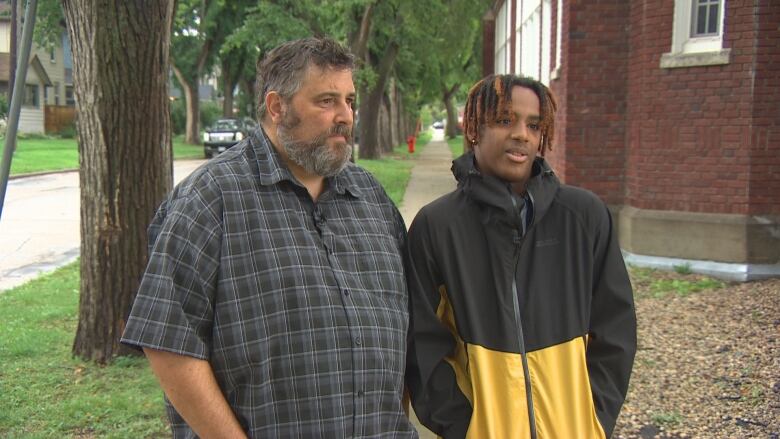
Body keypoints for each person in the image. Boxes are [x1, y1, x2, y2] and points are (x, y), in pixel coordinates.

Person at [122, 37, 417, 438]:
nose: (345, 116)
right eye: (326, 101)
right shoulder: (212, 198)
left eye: (349, 100)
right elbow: (169, 341)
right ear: (278, 107)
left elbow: (404, 328)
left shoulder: (371, 197)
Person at [405, 74, 636, 438]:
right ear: (474, 128)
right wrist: (465, 429)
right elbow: (423, 346)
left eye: (533, 124)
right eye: (504, 120)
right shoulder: (437, 226)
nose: (521, 134)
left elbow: (615, 329)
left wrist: (594, 419)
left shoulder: (584, 216)